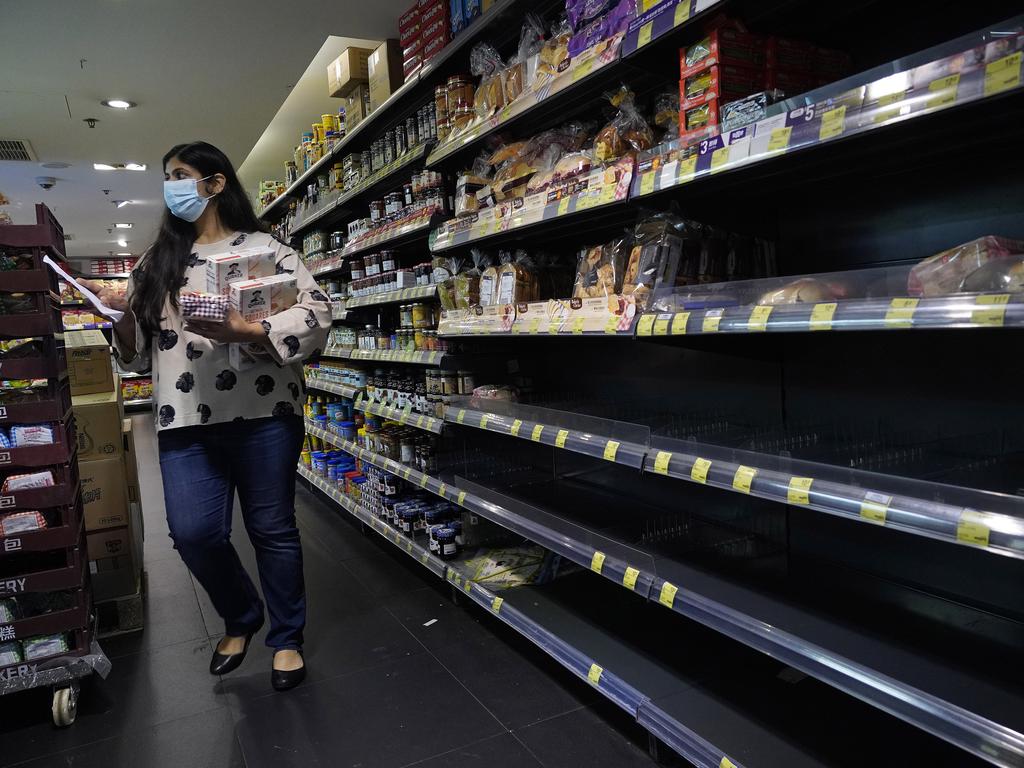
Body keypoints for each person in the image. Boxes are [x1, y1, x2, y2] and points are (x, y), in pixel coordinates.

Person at [83, 141, 330, 691]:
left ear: (215, 184)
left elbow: (316, 312)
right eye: (166, 176)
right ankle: (242, 613)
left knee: (273, 528)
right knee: (193, 532)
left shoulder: (268, 248)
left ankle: (286, 638)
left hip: (265, 413)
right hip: (183, 417)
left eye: (180, 174)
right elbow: (135, 351)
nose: (171, 185)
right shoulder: (156, 263)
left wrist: (252, 330)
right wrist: (118, 316)